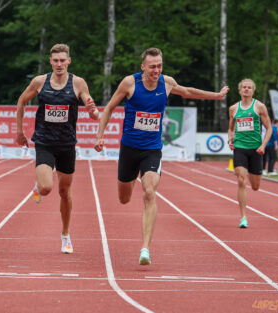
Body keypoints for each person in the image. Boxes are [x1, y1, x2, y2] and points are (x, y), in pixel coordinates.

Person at [94, 47, 229, 265]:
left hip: (152, 149)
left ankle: (145, 249)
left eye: (160, 66)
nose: (157, 70)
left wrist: (216, 96)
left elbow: (187, 91)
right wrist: (100, 135)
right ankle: (129, 188)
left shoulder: (166, 83)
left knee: (149, 191)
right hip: (129, 148)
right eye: (152, 66)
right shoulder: (130, 83)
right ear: (143, 67)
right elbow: (109, 108)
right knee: (124, 198)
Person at [16, 43, 99, 254]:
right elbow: (21, 101)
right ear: (50, 62)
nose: (59, 64)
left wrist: (93, 112)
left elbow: (93, 113)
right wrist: (19, 131)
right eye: (55, 60)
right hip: (44, 141)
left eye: (63, 60)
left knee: (65, 192)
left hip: (67, 144)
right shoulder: (39, 82)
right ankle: (38, 186)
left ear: (69, 61)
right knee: (46, 187)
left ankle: (65, 235)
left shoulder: (78, 83)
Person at [228, 78, 272, 229]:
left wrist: (263, 145)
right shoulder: (233, 108)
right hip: (240, 148)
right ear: (240, 90)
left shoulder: (259, 107)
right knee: (241, 180)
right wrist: (230, 139)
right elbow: (231, 128)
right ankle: (243, 217)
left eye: (249, 87)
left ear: (253, 90)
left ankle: (253, 179)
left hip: (256, 149)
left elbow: (269, 128)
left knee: (255, 186)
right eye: (244, 87)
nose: (246, 89)